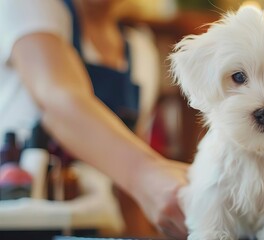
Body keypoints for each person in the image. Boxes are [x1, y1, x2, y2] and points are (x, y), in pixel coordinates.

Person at [0, 0, 188, 239]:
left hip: (95, 229)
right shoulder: (28, 7)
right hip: (19, 226)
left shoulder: (141, 51)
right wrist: (149, 174)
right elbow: (59, 100)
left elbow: (129, 190)